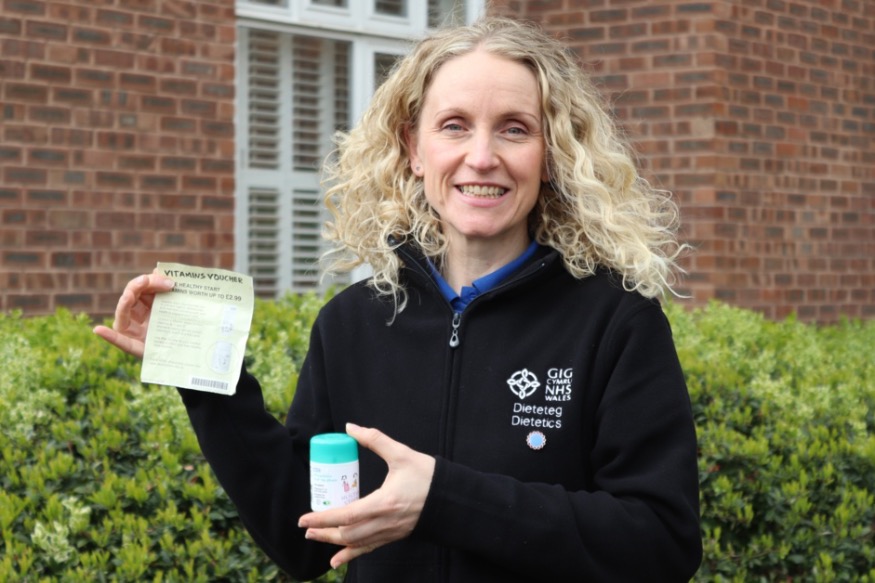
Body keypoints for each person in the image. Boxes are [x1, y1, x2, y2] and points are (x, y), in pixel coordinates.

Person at [95, 16, 702, 582]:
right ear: (414, 149)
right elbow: (304, 537)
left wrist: (441, 500)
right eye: (454, 125)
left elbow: (662, 542)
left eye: (515, 129)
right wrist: (203, 376)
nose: (482, 157)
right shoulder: (352, 323)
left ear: (551, 155)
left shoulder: (617, 323)